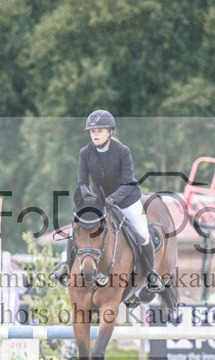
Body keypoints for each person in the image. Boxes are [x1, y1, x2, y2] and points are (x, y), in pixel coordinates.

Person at [53, 110, 164, 292]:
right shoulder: (85, 153)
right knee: (77, 226)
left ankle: (152, 275)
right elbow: (82, 182)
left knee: (142, 232)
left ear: (110, 132)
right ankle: (66, 266)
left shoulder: (122, 151)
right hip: (100, 200)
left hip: (127, 198)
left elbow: (128, 181)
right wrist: (89, 197)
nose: (95, 134)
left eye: (100, 131)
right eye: (92, 131)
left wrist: (113, 198)